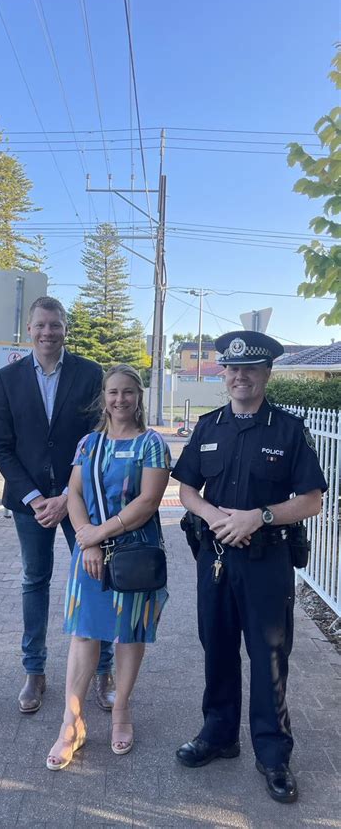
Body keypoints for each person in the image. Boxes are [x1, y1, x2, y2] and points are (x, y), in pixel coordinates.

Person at [172, 330, 327, 804]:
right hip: (216, 559)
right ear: (224, 374)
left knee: (269, 658)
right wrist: (215, 516)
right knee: (216, 648)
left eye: (251, 369)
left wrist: (257, 517)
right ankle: (219, 735)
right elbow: (186, 490)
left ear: (266, 374)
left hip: (266, 562)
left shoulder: (288, 429)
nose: (240, 376)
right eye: (232, 369)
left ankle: (273, 754)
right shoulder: (208, 426)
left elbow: (311, 500)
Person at [0, 296, 115, 714]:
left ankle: (104, 671)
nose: (48, 332)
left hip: (78, 498)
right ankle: (34, 671)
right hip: (30, 504)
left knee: (97, 578)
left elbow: (97, 437)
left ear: (66, 329)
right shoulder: (7, 379)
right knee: (34, 581)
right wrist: (35, 498)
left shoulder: (89, 373)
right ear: (29, 330)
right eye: (41, 325)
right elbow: (2, 447)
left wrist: (66, 495)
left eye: (55, 325)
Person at [46, 364, 171, 771]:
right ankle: (71, 723)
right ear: (105, 397)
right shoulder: (89, 443)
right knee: (84, 635)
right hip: (91, 553)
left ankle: (121, 711)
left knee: (129, 634)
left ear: (139, 397)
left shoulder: (152, 444)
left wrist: (100, 534)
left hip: (135, 554)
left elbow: (149, 501)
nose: (120, 400)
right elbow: (76, 492)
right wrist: (86, 537)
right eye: (113, 392)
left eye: (128, 392)